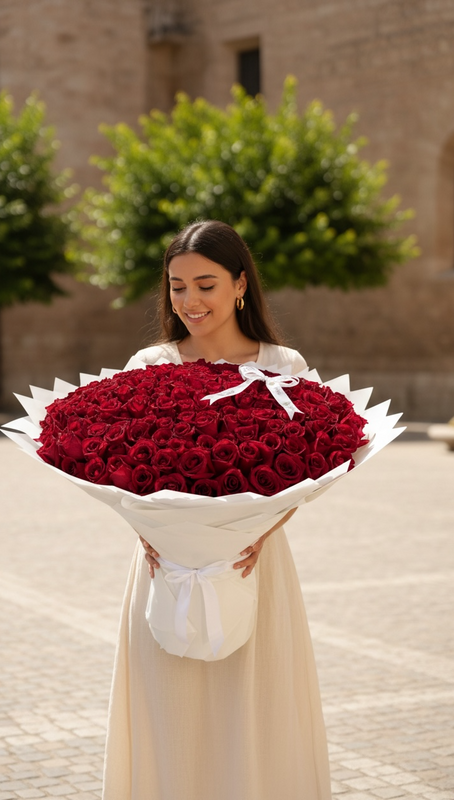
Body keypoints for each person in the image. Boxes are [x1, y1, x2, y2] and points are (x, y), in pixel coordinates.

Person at [102, 220, 332, 800]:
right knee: (169, 711)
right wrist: (147, 529)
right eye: (178, 286)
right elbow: (116, 466)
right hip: (161, 562)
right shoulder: (149, 364)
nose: (190, 301)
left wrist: (255, 532)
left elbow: (306, 469)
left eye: (205, 284)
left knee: (253, 709)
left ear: (239, 284)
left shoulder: (285, 365)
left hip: (254, 561)